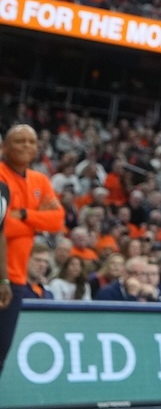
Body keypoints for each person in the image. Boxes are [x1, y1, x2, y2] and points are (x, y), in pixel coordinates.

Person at [1, 124, 64, 377]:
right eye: (20, 141)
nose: (27, 146)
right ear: (4, 146)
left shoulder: (40, 180)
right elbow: (2, 229)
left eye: (31, 141)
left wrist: (24, 214)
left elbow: (58, 220)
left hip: (16, 280)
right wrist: (37, 222)